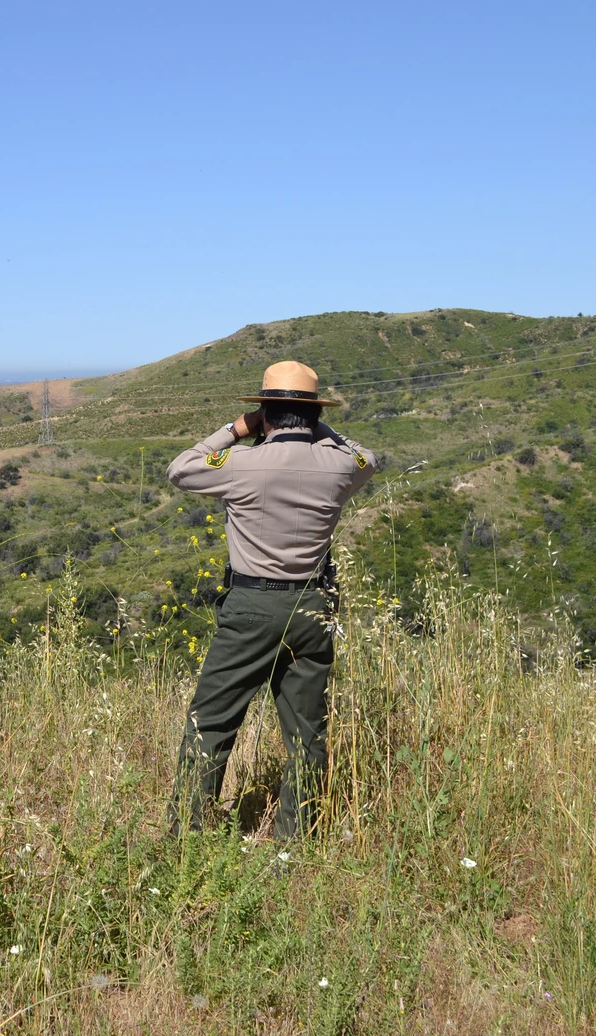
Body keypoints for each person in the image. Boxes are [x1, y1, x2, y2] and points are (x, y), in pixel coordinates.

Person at [165, 360, 376, 840]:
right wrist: (321, 429)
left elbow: (180, 469)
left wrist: (237, 429)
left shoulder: (243, 463)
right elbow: (366, 456)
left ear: (264, 414)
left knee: (212, 721)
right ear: (315, 414)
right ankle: (294, 840)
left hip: (251, 606)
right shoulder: (340, 466)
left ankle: (188, 836)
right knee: (307, 729)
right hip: (313, 606)